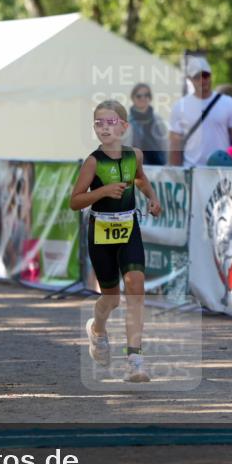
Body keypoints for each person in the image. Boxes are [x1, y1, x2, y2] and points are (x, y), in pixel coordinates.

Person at [70, 100, 163, 383]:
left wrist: (153, 198)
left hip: (128, 226)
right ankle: (97, 329)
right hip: (100, 232)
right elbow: (75, 201)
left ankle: (135, 360)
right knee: (110, 298)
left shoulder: (134, 155)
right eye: (99, 123)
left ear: (124, 126)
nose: (104, 128)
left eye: (110, 122)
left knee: (136, 287)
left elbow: (141, 179)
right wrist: (103, 191)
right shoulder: (93, 162)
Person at [168, 57, 232, 167]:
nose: (202, 80)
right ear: (190, 79)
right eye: (197, 77)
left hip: (222, 171)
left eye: (205, 75)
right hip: (191, 171)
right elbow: (175, 145)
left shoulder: (228, 103)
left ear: (211, 76)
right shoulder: (179, 106)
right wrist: (176, 175)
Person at [127, 83, 168, 166]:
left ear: (150, 98)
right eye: (139, 96)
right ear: (133, 98)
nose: (143, 98)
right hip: (136, 168)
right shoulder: (127, 122)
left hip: (158, 168)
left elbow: (165, 146)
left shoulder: (158, 119)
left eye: (147, 95)